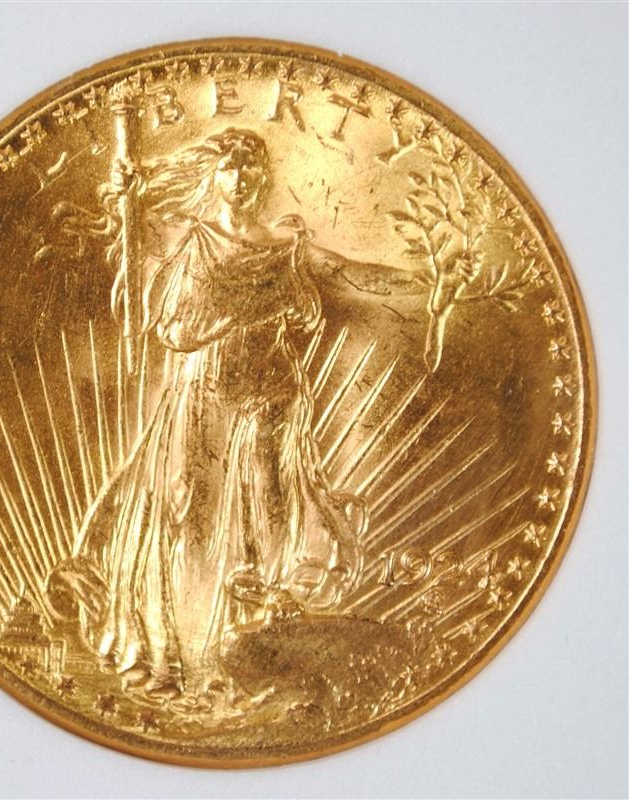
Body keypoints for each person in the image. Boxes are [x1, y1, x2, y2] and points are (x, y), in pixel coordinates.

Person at [49, 128, 423, 699]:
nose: (242, 178)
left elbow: (348, 271)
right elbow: (146, 299)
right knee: (188, 520)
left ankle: (248, 647)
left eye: (251, 168)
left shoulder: (286, 246)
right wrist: (128, 200)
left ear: (264, 178)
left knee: (268, 521)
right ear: (214, 175)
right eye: (230, 167)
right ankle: (177, 659)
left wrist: (429, 281)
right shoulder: (189, 240)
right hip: (202, 400)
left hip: (270, 398)